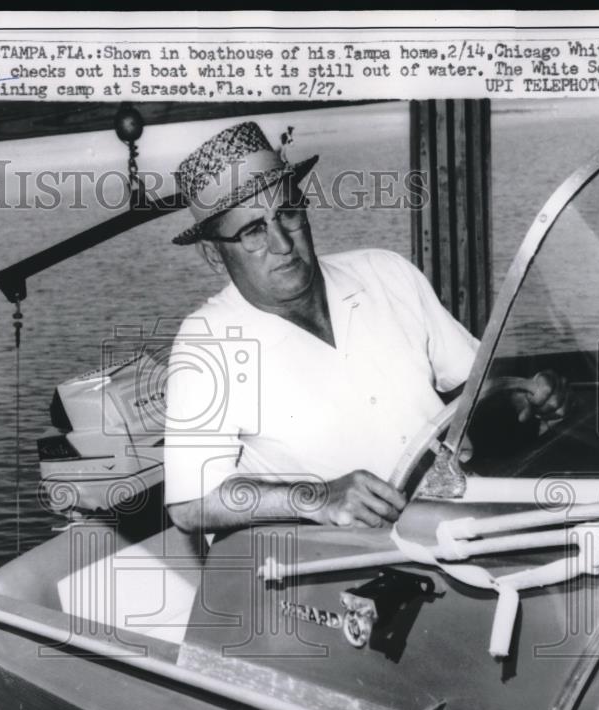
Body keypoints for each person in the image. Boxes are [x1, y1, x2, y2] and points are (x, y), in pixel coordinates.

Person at [162, 121, 567, 534]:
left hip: (461, 524)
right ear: (214, 256)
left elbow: (475, 384)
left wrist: (525, 395)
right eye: (253, 231)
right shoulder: (206, 341)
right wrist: (318, 497)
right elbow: (190, 504)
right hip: (345, 564)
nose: (283, 243)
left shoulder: (385, 271)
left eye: (287, 212)